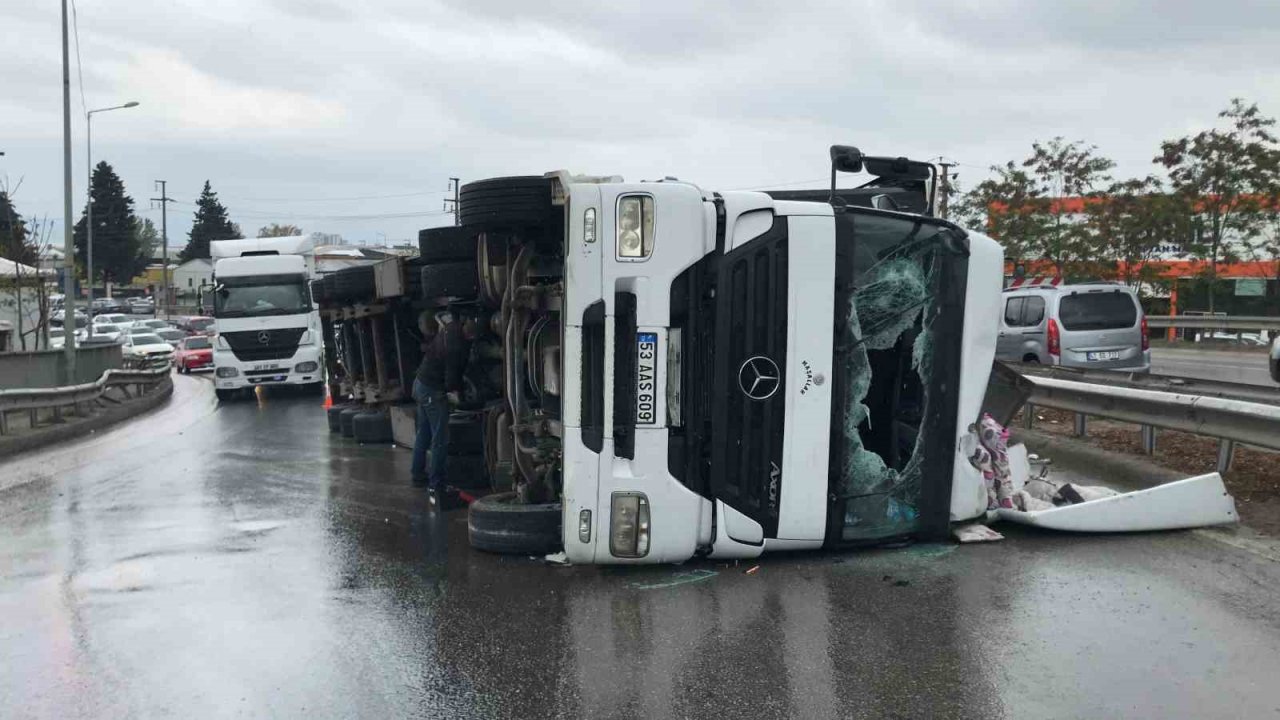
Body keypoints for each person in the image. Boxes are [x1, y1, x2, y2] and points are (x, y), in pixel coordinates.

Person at [411, 310, 472, 507]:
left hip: (420, 383)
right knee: (441, 437)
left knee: (425, 433)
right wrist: (460, 396)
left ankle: (418, 474)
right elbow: (451, 380)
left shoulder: (451, 328)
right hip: (431, 391)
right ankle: (437, 483)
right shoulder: (457, 346)